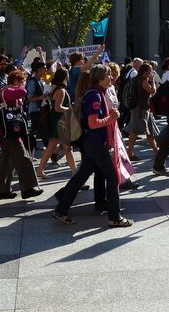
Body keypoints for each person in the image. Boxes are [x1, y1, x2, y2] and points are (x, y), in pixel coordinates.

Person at [53, 65, 134, 228]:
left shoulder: (96, 93)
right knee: (113, 177)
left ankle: (60, 210)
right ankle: (114, 217)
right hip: (95, 143)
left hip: (92, 144)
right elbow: (93, 123)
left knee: (80, 177)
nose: (112, 78)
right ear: (100, 78)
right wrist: (111, 118)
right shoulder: (95, 96)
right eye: (109, 75)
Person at [0, 70, 43, 200]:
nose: (24, 84)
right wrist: (18, 87)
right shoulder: (8, 91)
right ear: (15, 81)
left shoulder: (7, 92)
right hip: (8, 132)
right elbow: (23, 92)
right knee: (24, 158)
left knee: (7, 162)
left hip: (6, 132)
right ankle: (28, 188)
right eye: (21, 81)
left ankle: (2, 190)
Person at [36, 68, 76, 179]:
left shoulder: (55, 88)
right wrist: (70, 109)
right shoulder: (61, 91)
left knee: (51, 147)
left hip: (57, 121)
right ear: (64, 77)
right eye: (67, 75)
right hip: (60, 122)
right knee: (68, 148)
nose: (68, 77)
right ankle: (74, 172)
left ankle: (40, 170)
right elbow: (57, 108)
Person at [125, 63, 159, 160]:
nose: (151, 74)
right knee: (135, 131)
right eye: (150, 72)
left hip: (143, 109)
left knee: (150, 131)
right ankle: (129, 153)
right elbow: (152, 91)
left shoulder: (137, 79)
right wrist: (152, 81)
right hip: (141, 109)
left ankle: (157, 152)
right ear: (145, 72)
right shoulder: (143, 81)